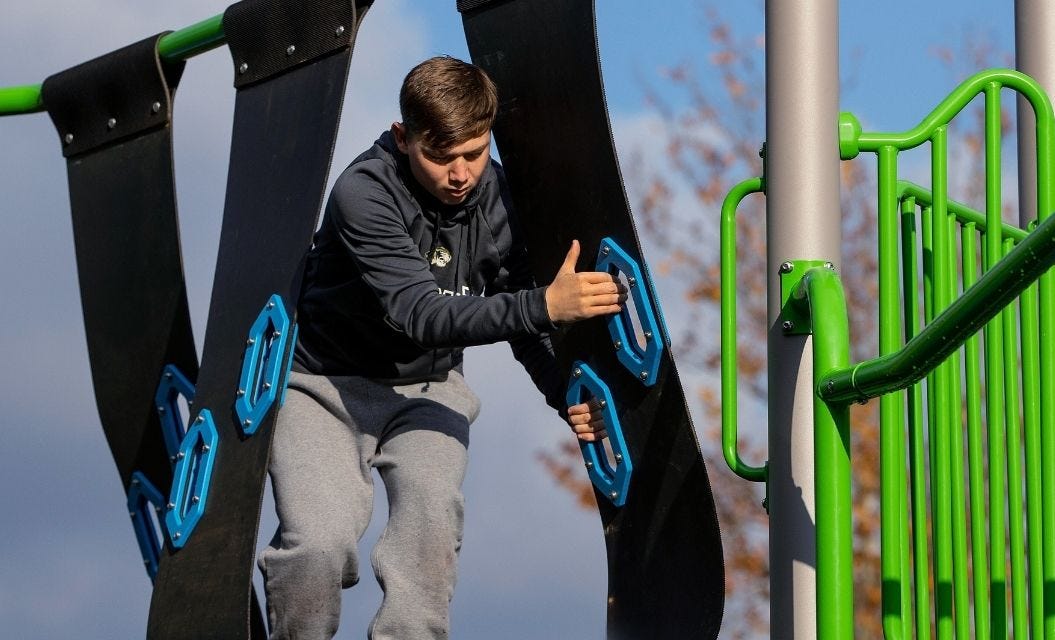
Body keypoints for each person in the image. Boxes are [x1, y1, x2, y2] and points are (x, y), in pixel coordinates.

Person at [258, 55, 625, 639]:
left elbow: (520, 318)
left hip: (426, 391)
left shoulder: (501, 200)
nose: (461, 174)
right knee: (318, 545)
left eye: (474, 154)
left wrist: (564, 395)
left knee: (429, 534)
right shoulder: (363, 194)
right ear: (404, 138)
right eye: (440, 156)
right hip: (324, 386)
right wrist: (547, 305)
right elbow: (420, 314)